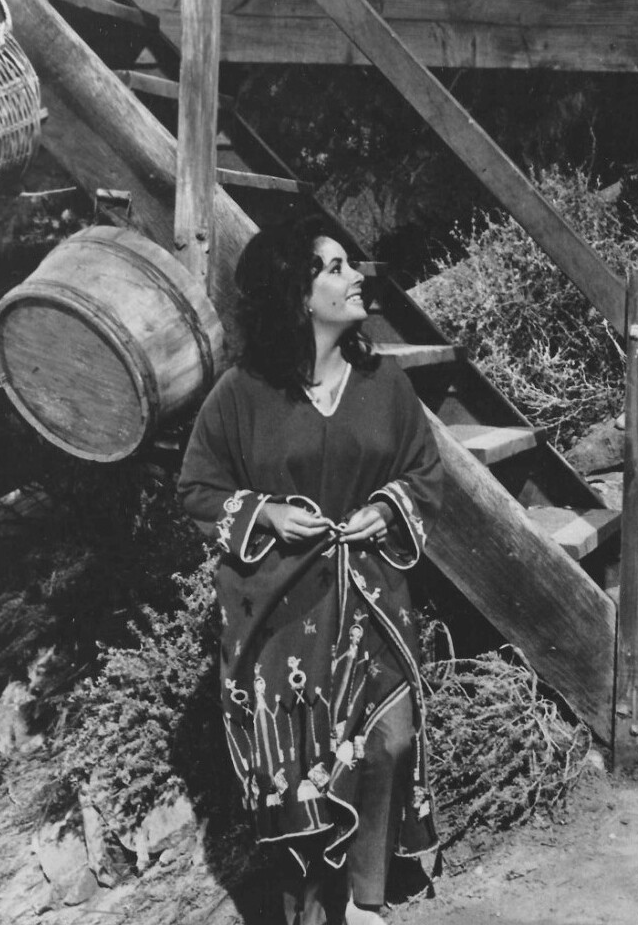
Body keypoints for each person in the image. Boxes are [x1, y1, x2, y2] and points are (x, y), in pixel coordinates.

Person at [178, 222, 445, 923]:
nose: (355, 276)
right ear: (297, 295)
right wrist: (265, 514)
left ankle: (366, 902)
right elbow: (197, 488)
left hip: (371, 596)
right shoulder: (241, 394)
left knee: (390, 738)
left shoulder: (385, 383)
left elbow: (424, 472)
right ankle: (311, 909)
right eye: (334, 267)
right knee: (300, 766)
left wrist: (386, 509)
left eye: (349, 264)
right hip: (282, 612)